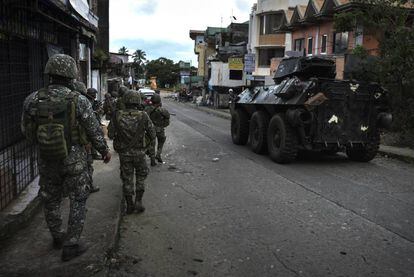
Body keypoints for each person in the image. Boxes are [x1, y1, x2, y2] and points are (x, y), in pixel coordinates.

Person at [21, 54, 111, 261]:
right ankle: (71, 244)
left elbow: (27, 133)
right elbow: (94, 130)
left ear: (49, 73)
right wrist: (104, 151)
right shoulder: (78, 100)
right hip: (75, 161)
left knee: (50, 199)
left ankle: (57, 237)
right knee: (78, 199)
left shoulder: (32, 99)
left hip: (46, 159)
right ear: (71, 75)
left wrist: (47, 141)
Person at [108, 91, 155, 214]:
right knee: (141, 177)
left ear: (125, 100)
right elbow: (152, 134)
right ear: (138, 101)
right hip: (140, 153)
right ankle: (138, 201)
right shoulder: (144, 116)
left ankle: (129, 204)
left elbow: (110, 134)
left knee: (127, 178)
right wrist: (146, 146)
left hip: (124, 154)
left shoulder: (117, 115)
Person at [71, 82, 101, 193]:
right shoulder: (82, 102)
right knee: (86, 166)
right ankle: (89, 186)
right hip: (81, 142)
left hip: (66, 143)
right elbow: (92, 128)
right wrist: (103, 149)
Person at [145, 94, 170, 166]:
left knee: (151, 144)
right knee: (161, 141)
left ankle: (152, 160)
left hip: (150, 130)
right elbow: (167, 118)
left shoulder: (147, 109)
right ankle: (158, 154)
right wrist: (163, 125)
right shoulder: (162, 110)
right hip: (160, 129)